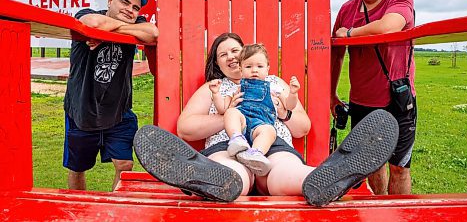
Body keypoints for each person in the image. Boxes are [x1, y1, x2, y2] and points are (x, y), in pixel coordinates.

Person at [134, 32, 400, 206]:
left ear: (249, 54)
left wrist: (282, 112)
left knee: (285, 173)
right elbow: (186, 129)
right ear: (217, 63)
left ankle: (327, 177)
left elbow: (303, 127)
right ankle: (206, 179)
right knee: (233, 177)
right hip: (228, 147)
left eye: (236, 51)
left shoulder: (274, 83)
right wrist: (227, 114)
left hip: (272, 149)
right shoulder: (215, 87)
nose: (232, 57)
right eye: (223, 54)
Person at [331, 0, 417, 195]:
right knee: (372, 166)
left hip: (398, 99)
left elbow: (390, 25)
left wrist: (349, 34)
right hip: (362, 101)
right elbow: (335, 54)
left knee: (399, 167)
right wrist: (331, 94)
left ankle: (399, 215)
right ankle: (379, 209)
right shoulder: (347, 9)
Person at [63, 0, 159, 190]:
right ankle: (78, 211)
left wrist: (112, 30)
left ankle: (114, 209)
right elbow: (94, 23)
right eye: (125, 2)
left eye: (135, 8)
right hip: (82, 109)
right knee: (77, 167)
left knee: (125, 164)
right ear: (110, 0)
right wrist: (116, 31)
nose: (130, 10)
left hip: (119, 110)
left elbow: (153, 33)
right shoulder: (87, 13)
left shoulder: (139, 23)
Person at [209, 43, 300, 176]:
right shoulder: (238, 88)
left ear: (268, 69)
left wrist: (293, 93)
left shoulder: (273, 87)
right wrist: (216, 94)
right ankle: (236, 139)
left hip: (261, 124)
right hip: (242, 124)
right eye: (248, 66)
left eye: (259, 66)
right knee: (231, 112)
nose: (254, 70)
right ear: (241, 69)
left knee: (269, 131)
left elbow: (289, 106)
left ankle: (255, 154)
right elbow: (222, 108)